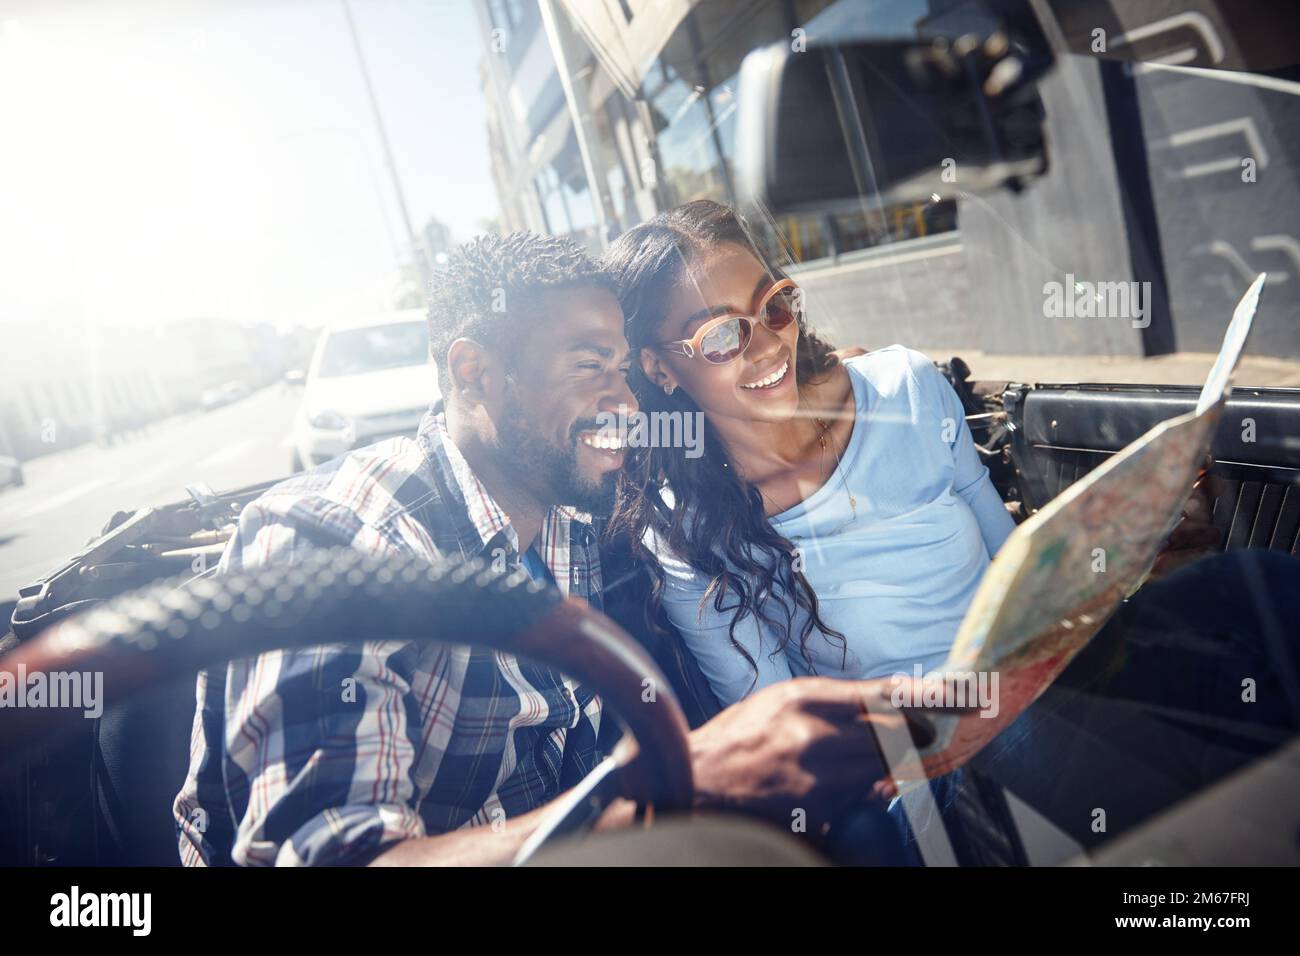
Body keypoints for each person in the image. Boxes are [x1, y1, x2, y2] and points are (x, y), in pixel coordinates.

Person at [173, 231, 927, 867]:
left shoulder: (567, 513)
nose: (626, 402)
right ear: (475, 373)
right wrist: (682, 784)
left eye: (625, 371)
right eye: (588, 367)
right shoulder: (337, 544)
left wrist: (832, 375)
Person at [604, 199, 1300, 861]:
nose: (766, 345)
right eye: (722, 334)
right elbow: (787, 749)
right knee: (1127, 726)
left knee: (1249, 585)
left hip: (1042, 681)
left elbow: (1016, 567)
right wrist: (949, 712)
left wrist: (1125, 552)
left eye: (773, 305)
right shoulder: (689, 536)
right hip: (920, 772)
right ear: (659, 367)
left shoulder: (907, 387)